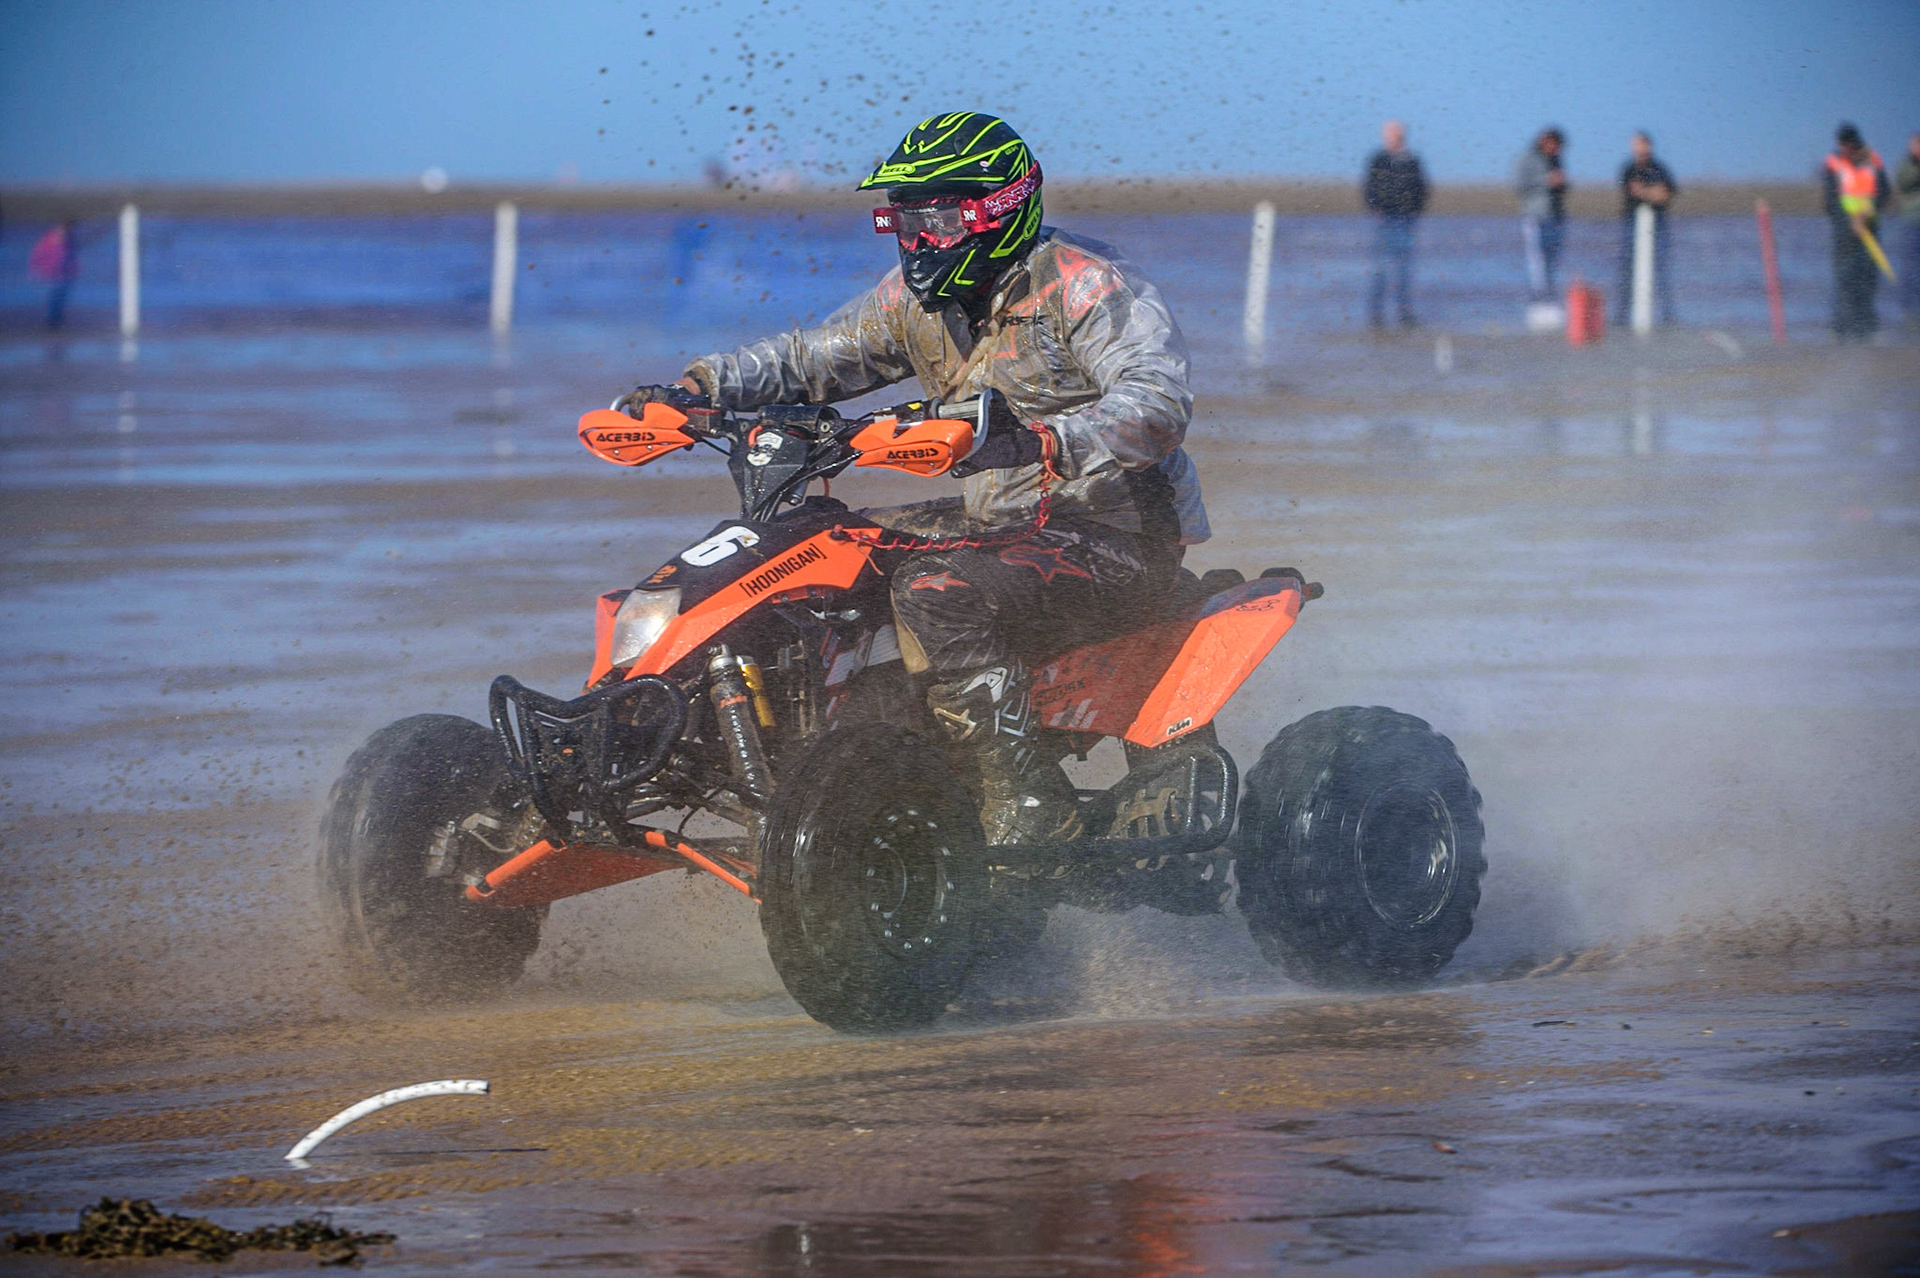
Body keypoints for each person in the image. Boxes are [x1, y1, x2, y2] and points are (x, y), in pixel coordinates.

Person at [663, 113, 1206, 844]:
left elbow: (1158, 405)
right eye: (906, 219)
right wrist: (702, 388)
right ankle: (798, 760)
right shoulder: (916, 300)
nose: (920, 240)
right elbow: (813, 359)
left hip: (1112, 534)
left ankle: (1028, 805)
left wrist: (1038, 439)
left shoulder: (1087, 287)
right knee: (811, 547)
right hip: (1003, 526)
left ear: (1000, 210)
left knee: (934, 590)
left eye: (940, 218)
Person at [1823, 123, 1892, 342]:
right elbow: (1830, 201)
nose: (1846, 148)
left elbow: (1884, 192)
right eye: (1842, 144)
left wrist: (1866, 213)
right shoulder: (1833, 163)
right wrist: (1848, 221)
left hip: (1870, 230)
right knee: (1844, 279)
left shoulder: (1873, 160)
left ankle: (1866, 330)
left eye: (1850, 144)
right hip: (1844, 233)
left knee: (1868, 280)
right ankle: (1841, 330)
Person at [1362, 119, 1429, 329]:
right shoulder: (1378, 159)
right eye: (1389, 134)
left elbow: (1422, 187)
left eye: (1395, 134)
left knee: (1404, 269)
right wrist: (1375, 208)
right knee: (1380, 270)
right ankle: (1376, 316)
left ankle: (1404, 314)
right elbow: (1369, 186)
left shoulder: (1412, 159)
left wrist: (1415, 209)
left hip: (1407, 220)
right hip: (1385, 219)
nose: (1392, 138)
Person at [1615, 131, 1678, 326]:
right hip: (1633, 221)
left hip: (1657, 222)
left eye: (1643, 144)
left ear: (1649, 146)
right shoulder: (1629, 169)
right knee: (1627, 269)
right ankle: (1622, 316)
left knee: (1661, 268)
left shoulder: (1660, 168)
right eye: (1636, 144)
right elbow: (1634, 191)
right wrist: (1652, 192)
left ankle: (1667, 316)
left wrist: (1648, 192)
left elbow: (1666, 193)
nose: (1640, 148)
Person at [1514, 128, 1569, 301]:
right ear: (1545, 142)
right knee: (1536, 259)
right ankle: (1538, 295)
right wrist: (1545, 181)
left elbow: (1563, 187)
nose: (1556, 149)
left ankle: (1550, 295)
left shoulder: (1557, 161)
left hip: (1556, 216)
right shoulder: (1527, 159)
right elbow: (1519, 184)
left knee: (1553, 259)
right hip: (1535, 216)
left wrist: (1562, 182)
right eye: (1554, 145)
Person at [28, 219, 80, 329]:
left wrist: (73, 270)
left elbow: (71, 258)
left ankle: (56, 320)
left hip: (64, 274)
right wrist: (38, 269)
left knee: (59, 298)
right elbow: (39, 255)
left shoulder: (69, 241)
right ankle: (52, 321)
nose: (63, 232)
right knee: (54, 297)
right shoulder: (50, 240)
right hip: (53, 274)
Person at [1896, 132, 1920, 326]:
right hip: (1912, 221)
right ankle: (1909, 312)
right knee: (1910, 268)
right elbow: (1903, 182)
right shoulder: (1907, 165)